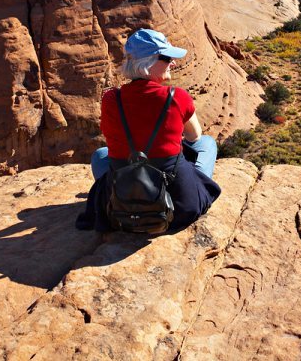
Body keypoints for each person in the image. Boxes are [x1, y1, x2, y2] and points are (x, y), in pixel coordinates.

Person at [76, 28, 221, 232]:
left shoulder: (111, 99)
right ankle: (186, 185)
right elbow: (194, 136)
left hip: (123, 199)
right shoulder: (176, 96)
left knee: (100, 155)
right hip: (176, 204)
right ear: (149, 62)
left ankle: (134, 194)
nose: (174, 62)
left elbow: (113, 141)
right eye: (167, 57)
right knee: (207, 143)